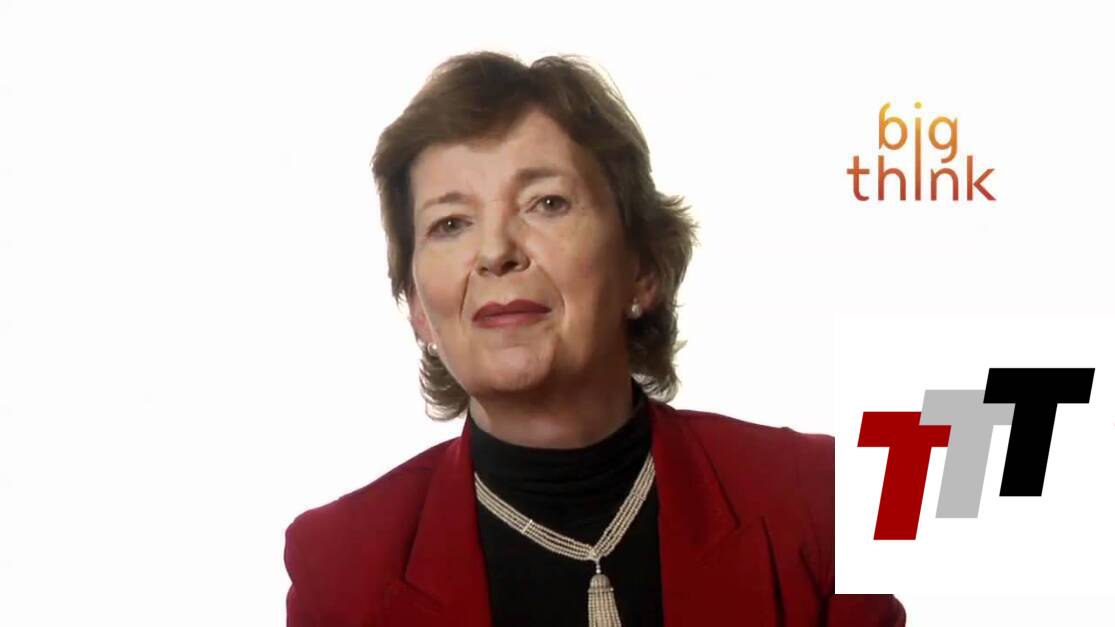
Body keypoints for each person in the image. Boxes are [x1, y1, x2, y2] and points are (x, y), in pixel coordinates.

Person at [283, 50, 906, 627]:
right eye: (450, 223)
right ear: (419, 306)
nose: (496, 251)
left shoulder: (820, 499)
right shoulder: (339, 567)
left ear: (642, 268)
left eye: (547, 203)